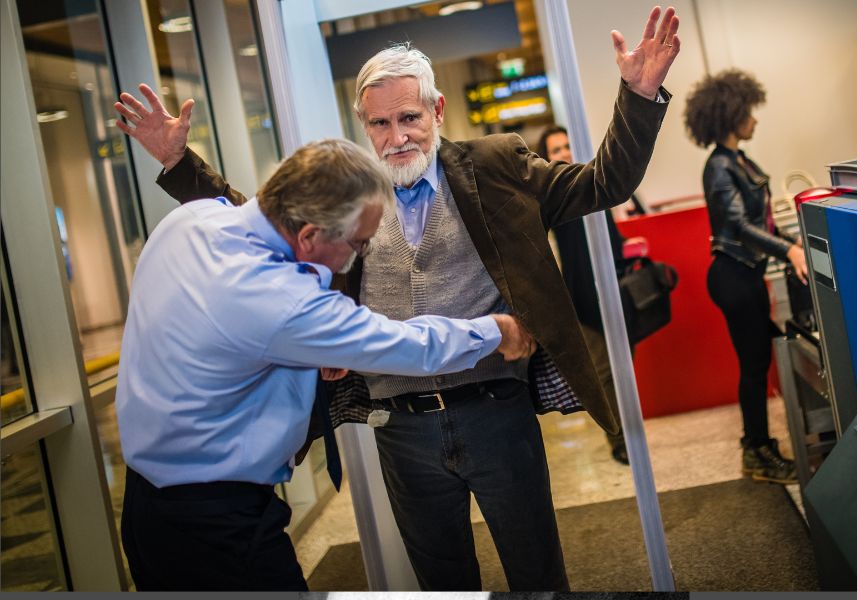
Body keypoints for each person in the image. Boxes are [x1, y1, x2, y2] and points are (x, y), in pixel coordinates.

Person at [115, 5, 681, 590]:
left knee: (535, 570)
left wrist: (639, 96)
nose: (397, 137)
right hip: (402, 429)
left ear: (437, 110)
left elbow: (602, 183)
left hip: (496, 412)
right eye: (380, 124)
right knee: (442, 582)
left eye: (409, 117)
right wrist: (179, 163)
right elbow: (267, 219)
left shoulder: (493, 166)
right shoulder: (350, 196)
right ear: (363, 124)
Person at [115, 139, 536, 591]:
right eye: (359, 243)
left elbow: (219, 340)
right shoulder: (281, 299)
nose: (360, 256)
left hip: (145, 507)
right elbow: (408, 344)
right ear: (310, 236)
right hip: (216, 526)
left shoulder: (189, 220)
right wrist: (496, 331)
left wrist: (306, 355)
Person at [682, 69, 807, 484]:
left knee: (758, 361)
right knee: (753, 366)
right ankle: (756, 452)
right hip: (733, 276)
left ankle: (758, 446)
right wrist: (789, 250)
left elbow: (762, 222)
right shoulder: (720, 167)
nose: (754, 119)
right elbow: (739, 227)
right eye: (748, 112)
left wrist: (793, 241)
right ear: (730, 116)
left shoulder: (739, 161)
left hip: (745, 273)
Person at [537, 125, 632, 465]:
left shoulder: (594, 183)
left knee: (624, 367)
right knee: (603, 372)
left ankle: (632, 432)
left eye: (566, 145)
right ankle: (618, 439)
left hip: (614, 292)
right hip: (581, 300)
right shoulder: (550, 198)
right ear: (546, 158)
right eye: (555, 149)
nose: (563, 152)